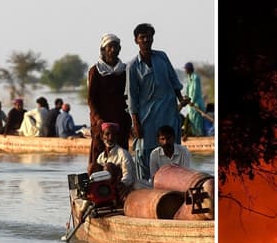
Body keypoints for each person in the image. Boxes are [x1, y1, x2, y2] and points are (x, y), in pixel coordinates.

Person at [127, 23, 191, 181]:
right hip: (147, 117)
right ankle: (146, 186)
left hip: (169, 111)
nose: (146, 40)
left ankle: (177, 183)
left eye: (149, 36)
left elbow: (173, 80)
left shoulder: (162, 57)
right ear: (136, 40)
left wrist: (181, 99)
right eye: (142, 37)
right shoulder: (132, 66)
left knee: (172, 148)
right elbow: (132, 97)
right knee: (145, 152)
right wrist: (135, 123)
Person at [88, 33, 131, 167]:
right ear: (103, 49)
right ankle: (95, 183)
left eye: (116, 47)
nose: (113, 50)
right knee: (99, 154)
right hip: (101, 122)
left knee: (121, 155)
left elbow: (129, 96)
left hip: (120, 120)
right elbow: (91, 99)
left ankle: (121, 183)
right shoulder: (96, 71)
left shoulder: (124, 70)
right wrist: (98, 119)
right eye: (110, 47)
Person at [88, 122, 135, 203]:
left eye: (113, 135)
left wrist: (121, 185)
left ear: (116, 137)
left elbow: (128, 177)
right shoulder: (101, 157)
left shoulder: (123, 154)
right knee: (92, 167)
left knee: (108, 167)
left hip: (120, 190)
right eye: (107, 134)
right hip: (103, 190)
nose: (110, 138)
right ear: (102, 137)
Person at [183, 62, 206, 137]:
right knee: (192, 120)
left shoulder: (195, 78)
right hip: (190, 104)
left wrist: (192, 101)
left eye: (185, 69)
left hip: (196, 103)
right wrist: (186, 97)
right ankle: (195, 135)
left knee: (197, 120)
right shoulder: (189, 78)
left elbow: (195, 90)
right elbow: (187, 89)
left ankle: (200, 135)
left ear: (189, 69)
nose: (185, 71)